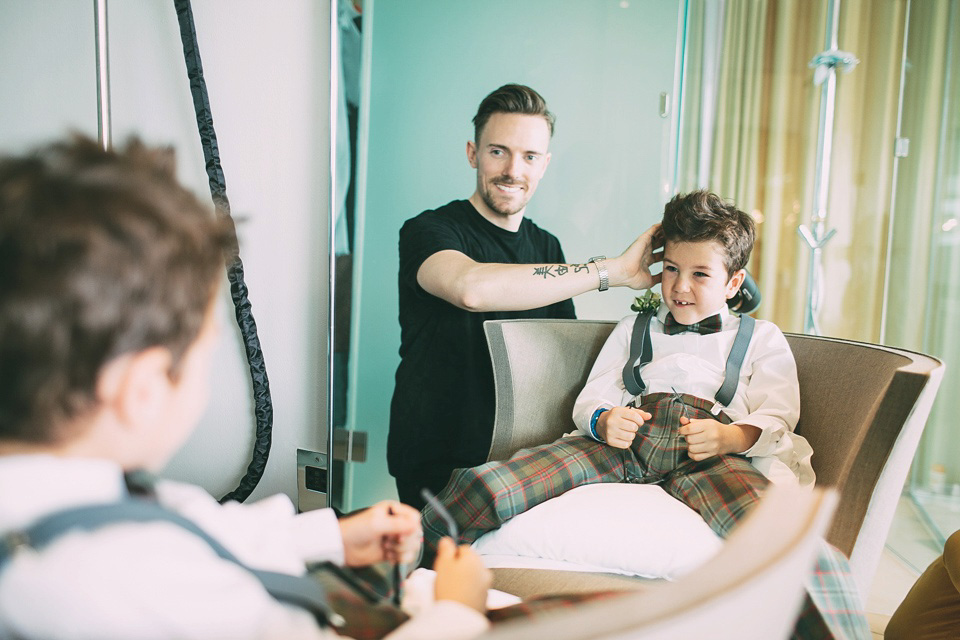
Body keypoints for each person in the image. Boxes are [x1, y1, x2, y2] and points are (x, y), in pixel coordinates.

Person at [0, 136, 493, 640]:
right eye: (205, 352)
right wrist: (457, 610)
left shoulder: (63, 499)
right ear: (143, 389)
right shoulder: (139, 590)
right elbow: (173, 563)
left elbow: (185, 527)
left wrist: (331, 536)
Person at [422, 191, 871, 639]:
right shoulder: (634, 327)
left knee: (790, 544)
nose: (679, 287)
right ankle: (416, 590)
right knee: (483, 484)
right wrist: (603, 420)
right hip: (625, 441)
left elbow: (779, 415)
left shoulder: (761, 337)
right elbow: (591, 396)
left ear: (734, 283)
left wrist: (731, 439)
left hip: (710, 450)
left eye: (700, 274)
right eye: (671, 269)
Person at [389, 84, 661, 508]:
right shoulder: (429, 230)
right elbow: (470, 288)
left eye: (530, 156)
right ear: (472, 153)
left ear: (544, 164)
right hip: (435, 452)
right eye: (498, 151)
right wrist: (613, 272)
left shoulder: (547, 247)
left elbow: (562, 358)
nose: (513, 170)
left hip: (518, 458)